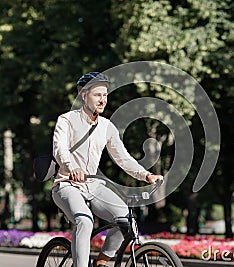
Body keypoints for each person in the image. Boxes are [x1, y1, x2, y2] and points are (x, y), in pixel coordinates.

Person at [51, 72, 163, 267]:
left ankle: (101, 262)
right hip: (67, 185)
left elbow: (123, 158)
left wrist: (146, 175)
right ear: (83, 95)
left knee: (127, 221)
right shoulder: (67, 120)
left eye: (105, 95)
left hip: (93, 185)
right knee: (85, 221)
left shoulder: (106, 126)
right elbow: (59, 150)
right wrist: (72, 167)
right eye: (97, 95)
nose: (103, 100)